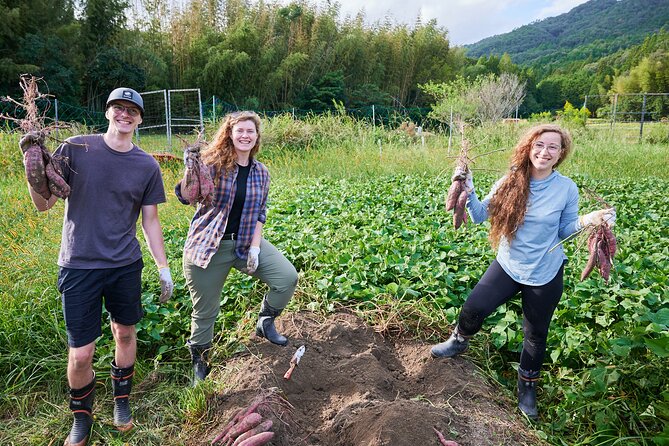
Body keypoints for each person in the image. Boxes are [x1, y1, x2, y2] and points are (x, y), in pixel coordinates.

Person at [21, 87, 174, 446]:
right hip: (79, 265)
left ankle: (122, 401)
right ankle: (82, 418)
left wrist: (163, 266)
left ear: (140, 118)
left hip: (124, 265)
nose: (124, 115)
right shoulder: (76, 148)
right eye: (118, 108)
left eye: (131, 110)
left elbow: (150, 221)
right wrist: (32, 165)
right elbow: (44, 204)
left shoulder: (147, 165)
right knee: (81, 353)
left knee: (125, 333)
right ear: (108, 112)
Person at [430, 124, 615, 419]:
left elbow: (565, 230)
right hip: (508, 265)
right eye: (539, 145)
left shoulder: (566, 188)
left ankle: (527, 386)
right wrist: (468, 188)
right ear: (529, 148)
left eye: (553, 147)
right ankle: (459, 341)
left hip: (545, 271)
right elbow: (478, 216)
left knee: (535, 334)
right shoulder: (509, 181)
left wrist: (590, 220)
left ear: (560, 154)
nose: (545, 151)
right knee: (474, 307)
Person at [176, 111, 298, 384]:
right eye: (239, 130)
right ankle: (200, 362)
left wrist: (255, 248)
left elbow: (260, 214)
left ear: (256, 137)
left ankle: (265, 322)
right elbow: (187, 196)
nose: (245, 135)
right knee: (205, 311)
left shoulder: (261, 172)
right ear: (229, 134)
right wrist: (190, 168)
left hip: (245, 243)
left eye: (250, 132)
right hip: (209, 246)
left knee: (286, 278)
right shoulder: (212, 164)